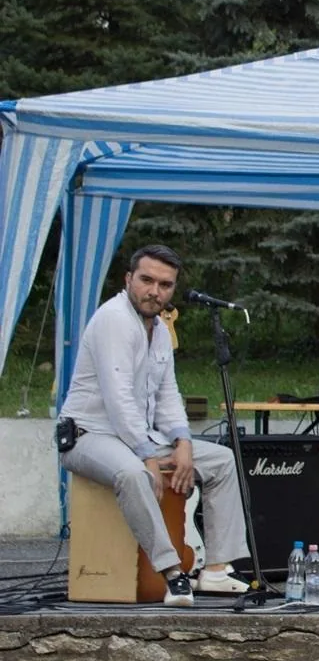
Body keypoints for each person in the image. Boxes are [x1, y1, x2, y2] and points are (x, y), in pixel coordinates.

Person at [59, 245, 252, 607]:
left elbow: (167, 394)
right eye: (147, 280)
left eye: (165, 285)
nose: (155, 291)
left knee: (222, 460)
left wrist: (182, 443)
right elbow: (119, 400)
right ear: (128, 280)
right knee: (134, 474)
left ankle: (215, 569)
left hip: (136, 437)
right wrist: (148, 455)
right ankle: (173, 574)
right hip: (89, 436)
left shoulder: (160, 330)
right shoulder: (113, 319)